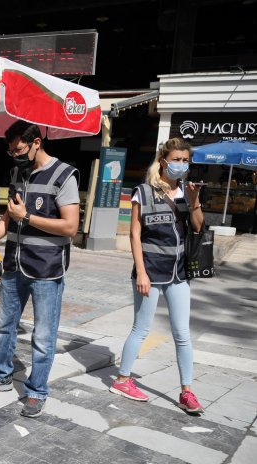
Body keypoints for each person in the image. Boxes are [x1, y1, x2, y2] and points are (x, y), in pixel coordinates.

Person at [0, 121, 80, 418]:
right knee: (5, 326)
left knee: (43, 335)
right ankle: (1, 374)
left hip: (46, 269)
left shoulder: (64, 174)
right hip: (13, 265)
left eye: (19, 149)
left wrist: (27, 215)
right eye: (11, 150)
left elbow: (70, 227)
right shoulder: (18, 172)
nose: (14, 154)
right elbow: (8, 216)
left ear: (36, 143)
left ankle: (36, 391)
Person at [109, 137, 205, 414]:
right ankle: (123, 379)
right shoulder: (144, 191)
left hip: (179, 272)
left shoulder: (187, 192)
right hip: (149, 271)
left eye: (185, 160)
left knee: (182, 334)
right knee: (141, 329)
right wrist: (140, 271)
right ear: (163, 160)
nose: (181, 165)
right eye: (176, 159)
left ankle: (187, 391)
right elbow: (134, 233)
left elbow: (198, 227)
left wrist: (196, 200)